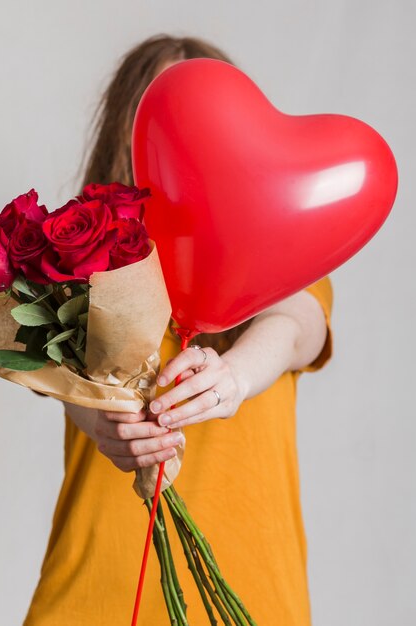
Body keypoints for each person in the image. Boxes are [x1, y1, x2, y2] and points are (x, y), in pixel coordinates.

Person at [23, 34, 333, 626]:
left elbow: (298, 327)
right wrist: (106, 426)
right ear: (128, 132)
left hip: (249, 587)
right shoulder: (79, 260)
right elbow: (63, 383)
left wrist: (234, 378)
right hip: (96, 592)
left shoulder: (286, 254)